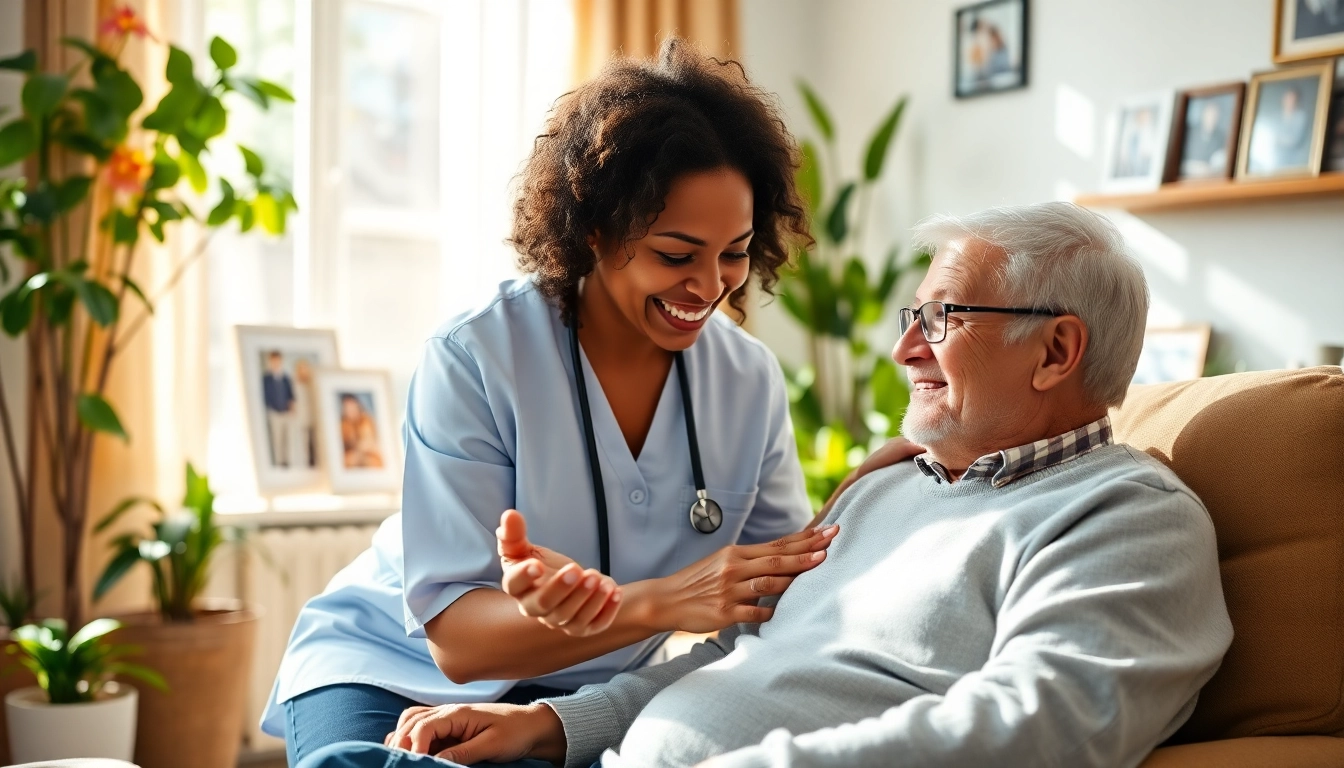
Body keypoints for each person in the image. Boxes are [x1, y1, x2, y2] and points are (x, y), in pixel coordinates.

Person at [300, 202, 1234, 768]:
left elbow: (1041, 730)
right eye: (914, 315)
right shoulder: (890, 492)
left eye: (942, 319)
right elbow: (735, 656)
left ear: (1058, 350)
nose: (904, 347)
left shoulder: (1124, 519)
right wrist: (554, 725)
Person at [262, 38, 920, 765]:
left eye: (732, 251)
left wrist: (862, 499)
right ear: (597, 229)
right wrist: (663, 601)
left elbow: (772, 596)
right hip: (388, 671)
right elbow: (456, 640)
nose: (710, 287)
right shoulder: (479, 356)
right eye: (676, 254)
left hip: (572, 700)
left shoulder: (746, 381)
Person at [263, 350, 296, 468]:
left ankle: (287, 462)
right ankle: (279, 463)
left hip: (285, 412)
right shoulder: (266, 379)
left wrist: (291, 407)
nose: (275, 363)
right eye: (273, 361)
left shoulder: (286, 378)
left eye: (277, 360)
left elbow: (291, 395)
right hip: (274, 413)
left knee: (286, 438)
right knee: (277, 439)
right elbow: (265, 396)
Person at [340, 393, 385, 469]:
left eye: (352, 406)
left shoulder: (366, 421)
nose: (350, 410)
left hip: (369, 455)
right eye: (347, 408)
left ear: (358, 406)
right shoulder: (343, 425)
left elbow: (368, 443)